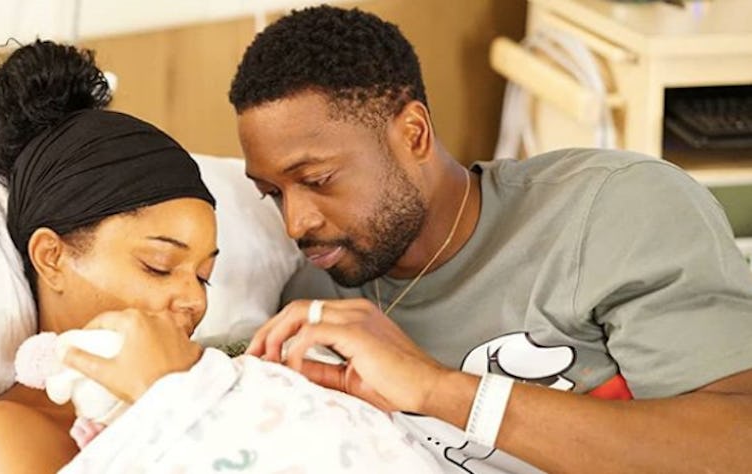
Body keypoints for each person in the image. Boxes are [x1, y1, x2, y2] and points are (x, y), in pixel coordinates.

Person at [64, 5, 752, 474]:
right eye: (274, 194)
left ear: (413, 133)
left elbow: (738, 441)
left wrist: (436, 389)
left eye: (318, 178)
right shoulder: (312, 304)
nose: (297, 222)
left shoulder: (607, 213)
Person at [0, 39, 444, 474]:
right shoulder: (4, 437)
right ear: (52, 256)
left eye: (203, 277)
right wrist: (172, 406)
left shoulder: (237, 376)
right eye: (158, 265)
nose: (192, 301)